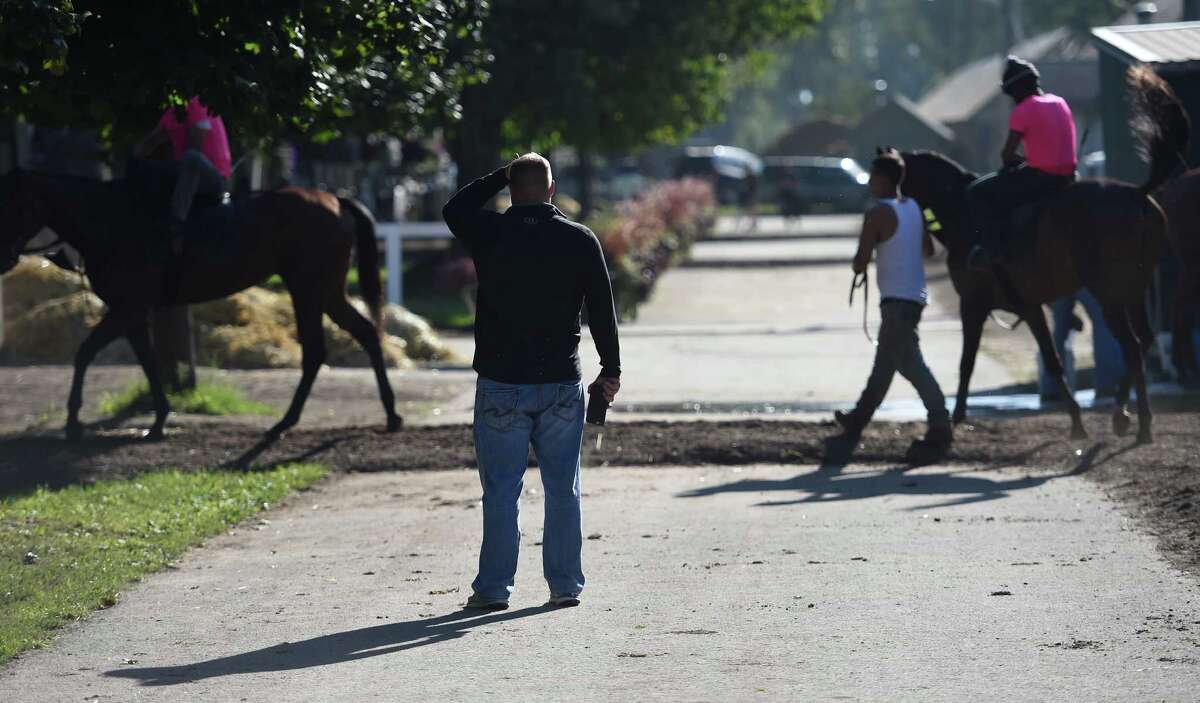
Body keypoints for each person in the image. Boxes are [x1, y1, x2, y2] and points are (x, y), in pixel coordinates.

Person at [443, 153, 622, 611]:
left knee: (501, 491)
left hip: (502, 382)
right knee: (564, 487)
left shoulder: (491, 232)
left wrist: (495, 175)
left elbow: (454, 209)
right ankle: (564, 585)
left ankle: (493, 589)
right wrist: (611, 368)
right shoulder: (579, 239)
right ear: (551, 189)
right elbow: (602, 307)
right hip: (561, 382)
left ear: (509, 188)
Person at [835, 148, 952, 453]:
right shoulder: (914, 207)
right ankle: (858, 419)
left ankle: (941, 422)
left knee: (911, 364)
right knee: (885, 364)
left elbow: (860, 260)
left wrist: (861, 265)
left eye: (873, 176)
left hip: (896, 300)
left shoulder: (877, 213)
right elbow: (928, 250)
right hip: (916, 296)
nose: (870, 182)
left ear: (884, 179)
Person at [967, 56, 1077, 271]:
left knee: (976, 192)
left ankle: (993, 252)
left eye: (1012, 93)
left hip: (1041, 179)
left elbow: (1007, 155)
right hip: (1070, 176)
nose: (1012, 99)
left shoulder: (1023, 110)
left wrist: (1022, 160)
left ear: (1018, 88)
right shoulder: (1060, 102)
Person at [133, 96, 233, 256]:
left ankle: (178, 223)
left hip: (212, 179)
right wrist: (133, 163)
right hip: (189, 174)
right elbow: (150, 143)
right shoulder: (174, 110)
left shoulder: (197, 103)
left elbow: (196, 147)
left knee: (191, 157)